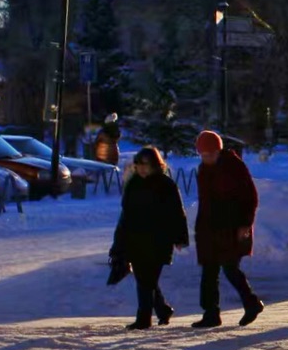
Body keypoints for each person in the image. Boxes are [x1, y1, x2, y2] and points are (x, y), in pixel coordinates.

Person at [111, 146, 190, 329]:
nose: (142, 168)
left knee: (147, 280)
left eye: (146, 165)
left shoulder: (166, 185)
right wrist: (119, 242)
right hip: (136, 239)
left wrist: (180, 238)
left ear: (156, 165)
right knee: (145, 280)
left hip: (158, 240)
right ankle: (162, 309)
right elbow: (126, 215)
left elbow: (177, 213)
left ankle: (143, 319)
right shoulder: (133, 184)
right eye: (139, 164)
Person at [192, 130, 264, 327]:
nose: (206, 158)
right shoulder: (203, 170)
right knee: (209, 271)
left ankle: (251, 302)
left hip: (232, 227)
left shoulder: (234, 166)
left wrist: (245, 224)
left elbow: (250, 198)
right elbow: (205, 202)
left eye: (210, 154)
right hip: (209, 228)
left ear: (218, 150)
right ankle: (211, 313)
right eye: (203, 155)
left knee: (230, 268)